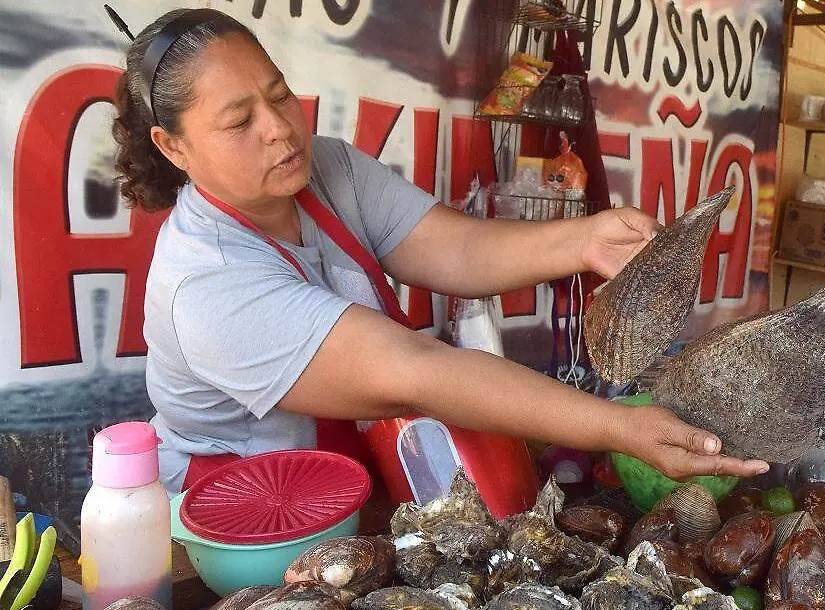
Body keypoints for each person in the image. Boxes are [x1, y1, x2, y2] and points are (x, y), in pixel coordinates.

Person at [112, 8, 769, 494]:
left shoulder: (325, 170)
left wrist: (585, 237)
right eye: (239, 120)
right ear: (173, 146)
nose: (280, 128)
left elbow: (451, 248)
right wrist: (617, 426)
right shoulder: (207, 286)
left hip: (347, 484)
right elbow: (418, 370)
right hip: (242, 517)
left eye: (280, 93)